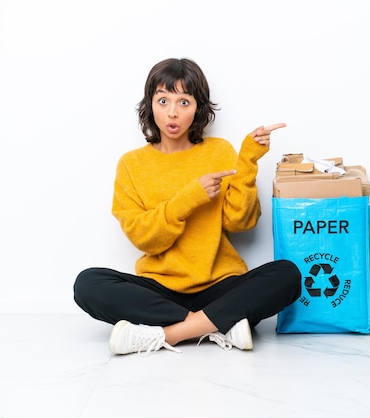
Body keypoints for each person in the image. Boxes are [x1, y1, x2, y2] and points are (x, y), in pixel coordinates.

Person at [73, 58, 301, 355]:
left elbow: (240, 223)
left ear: (198, 108)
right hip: (159, 289)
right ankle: (218, 326)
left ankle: (166, 334)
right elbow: (145, 239)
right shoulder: (131, 164)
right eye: (163, 100)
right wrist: (190, 196)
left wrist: (247, 162)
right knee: (88, 283)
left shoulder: (219, 151)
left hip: (219, 286)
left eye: (184, 102)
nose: (172, 112)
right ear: (150, 104)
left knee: (288, 274)